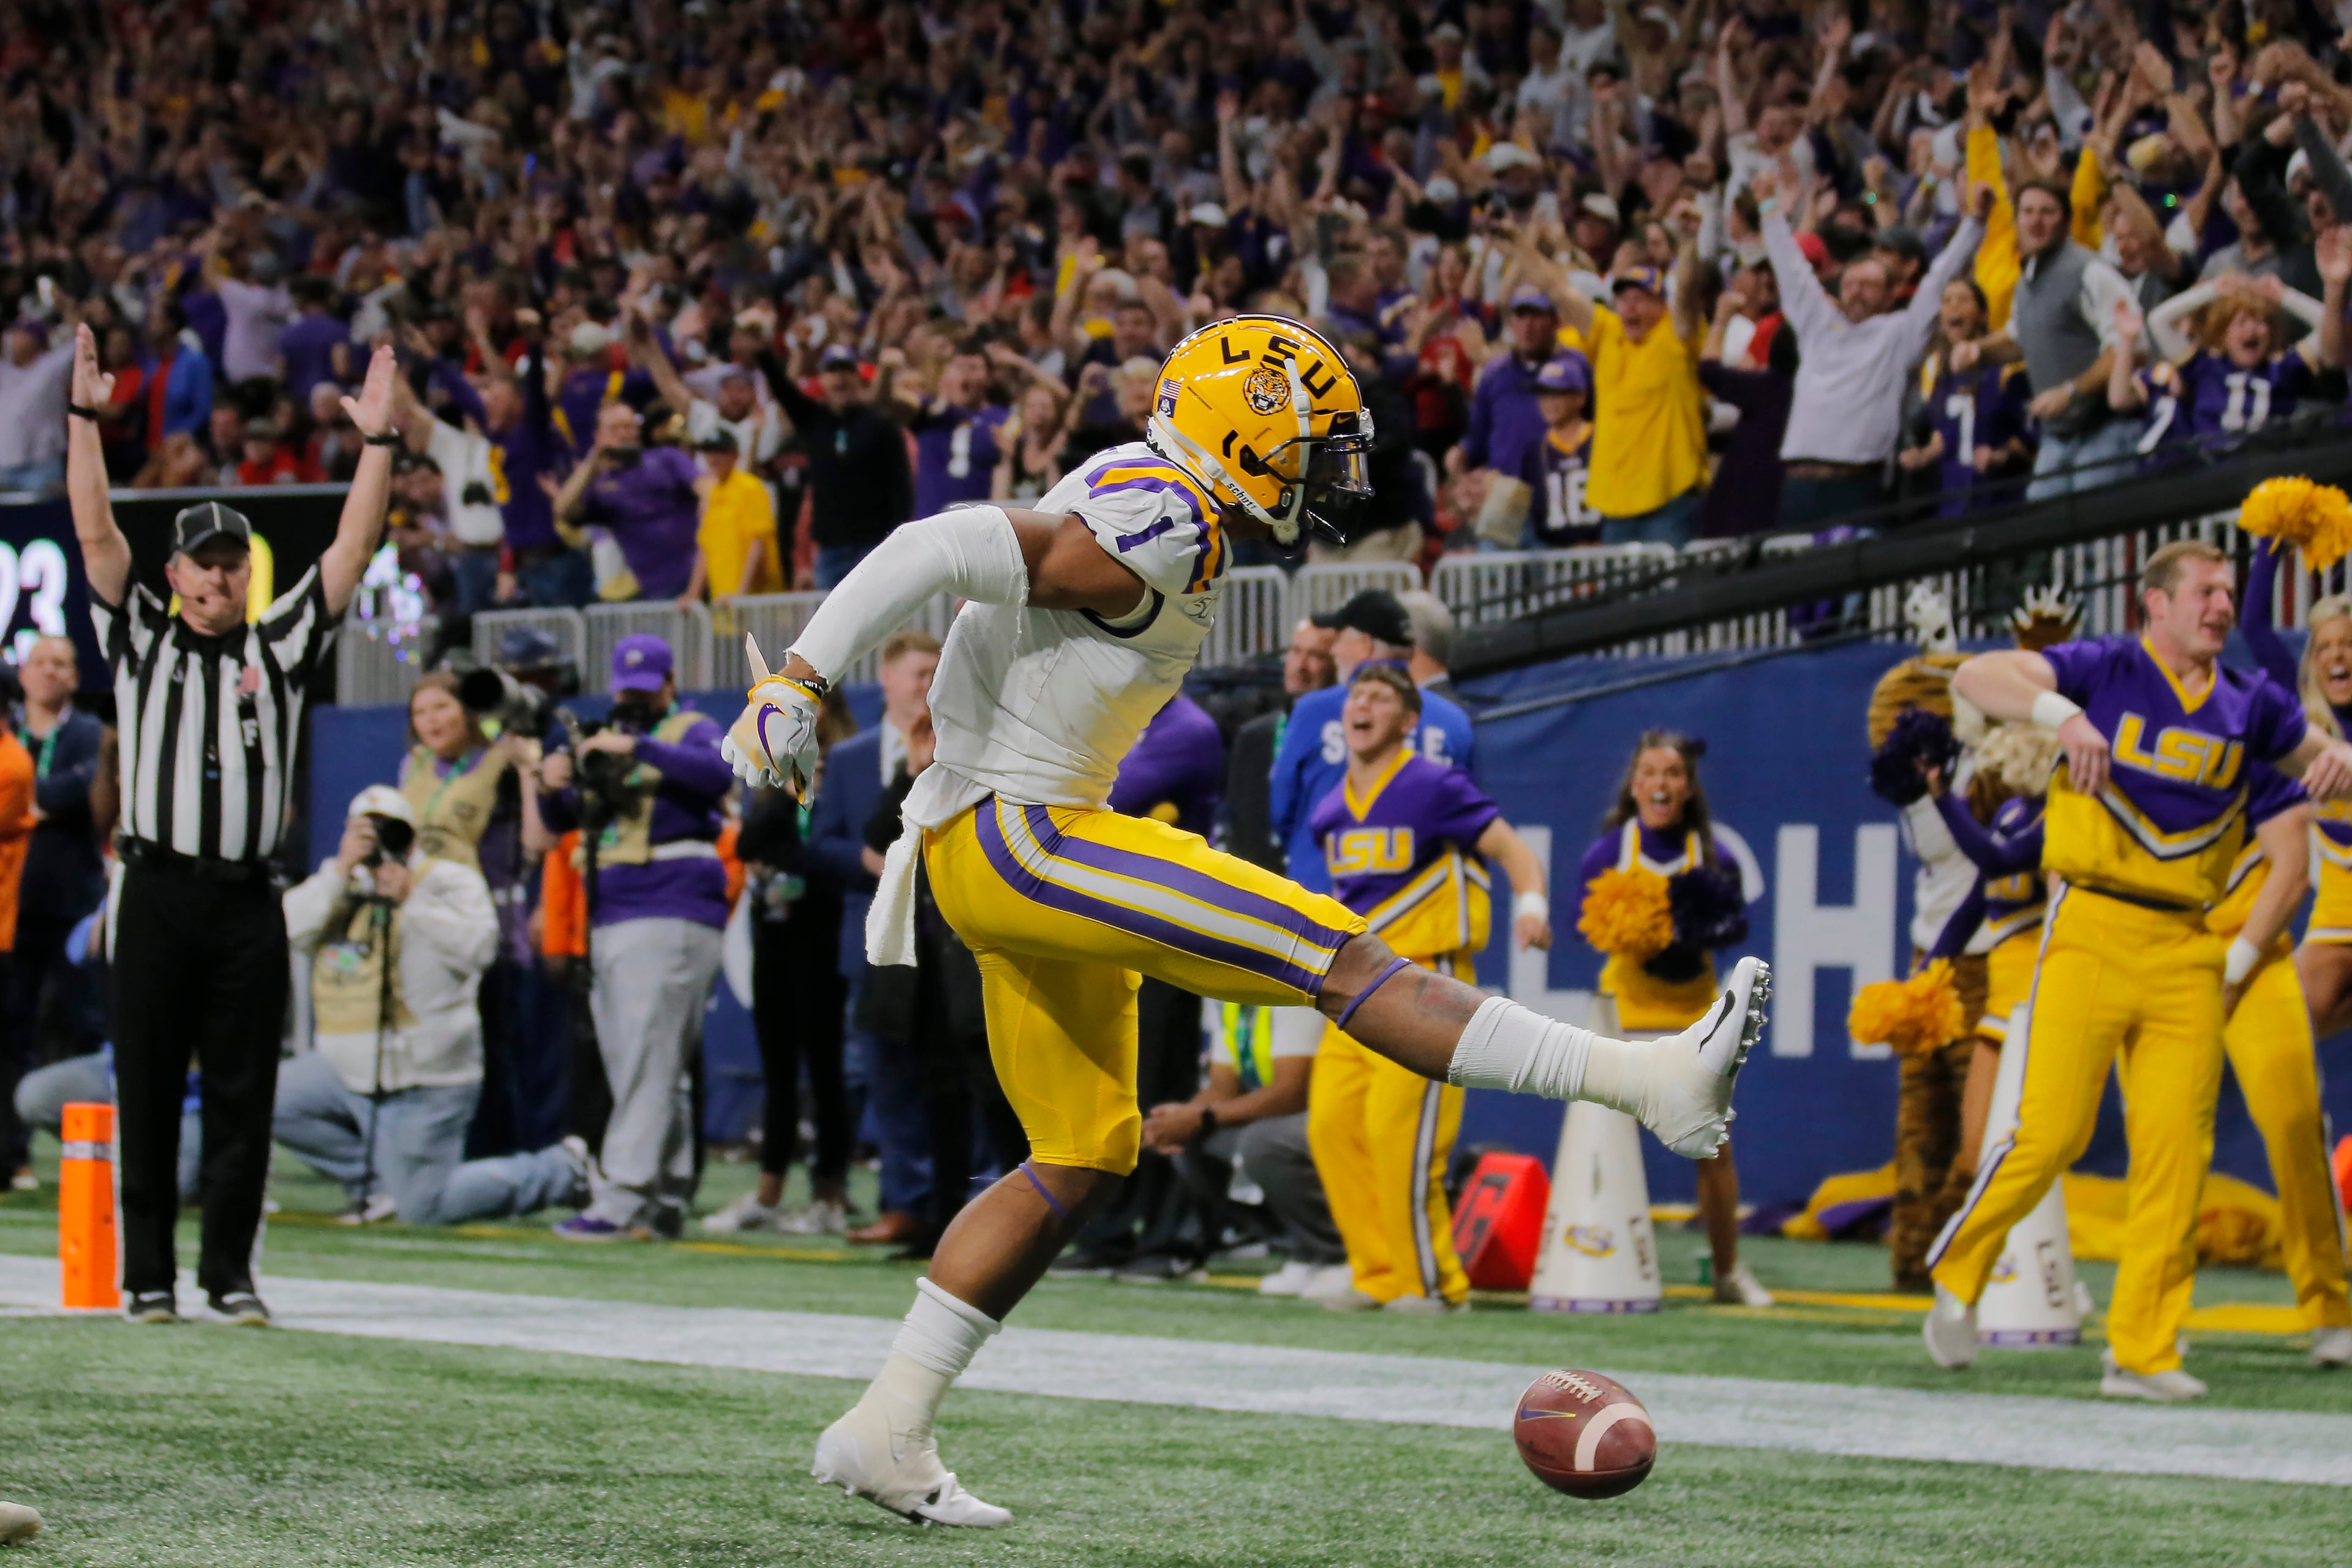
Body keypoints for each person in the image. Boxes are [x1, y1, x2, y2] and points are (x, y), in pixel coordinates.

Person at [722, 314, 1767, 1525]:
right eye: (1315, 446)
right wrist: (803, 674)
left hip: (989, 835)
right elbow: (938, 536)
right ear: (1250, 433)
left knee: (1084, 1149)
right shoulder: (1167, 515)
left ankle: (887, 1425)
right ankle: (1641, 1078)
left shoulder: (1147, 493)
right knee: (1340, 951)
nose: (1327, 476)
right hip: (1024, 830)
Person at [1929, 540, 2352, 1400]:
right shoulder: (2105, 667)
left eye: (2230, 592)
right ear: (2153, 604)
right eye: (2205, 591)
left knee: (2176, 1156)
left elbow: (2311, 767)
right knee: (2051, 1134)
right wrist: (2062, 716)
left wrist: (2337, 762)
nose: (2222, 606)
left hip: (2190, 949)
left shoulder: (2249, 703)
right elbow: (1975, 676)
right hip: (2092, 926)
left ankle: (2143, 1349)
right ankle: (1960, 1268)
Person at [64, 323, 402, 1325]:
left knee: (245, 1095)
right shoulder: (137, 639)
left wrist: (378, 444)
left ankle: (230, 1275)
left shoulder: (284, 641)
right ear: (174, 575)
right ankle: (150, 1278)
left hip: (248, 897)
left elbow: (349, 549)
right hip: (158, 888)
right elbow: (92, 536)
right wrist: (83, 418)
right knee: (151, 1086)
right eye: (202, 567)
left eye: (232, 566)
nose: (219, 579)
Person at [1307, 665, 1555, 1313]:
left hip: (1424, 987)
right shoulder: (1330, 807)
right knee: (1332, 1126)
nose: (1363, 703)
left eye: (1381, 697)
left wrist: (1532, 902)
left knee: (1402, 1132)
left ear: (1409, 720)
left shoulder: (1434, 784)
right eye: (1356, 695)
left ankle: (1434, 1283)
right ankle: (1379, 1272)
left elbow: (1510, 848)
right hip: (1353, 990)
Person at [274, 786, 589, 1224]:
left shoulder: (448, 881)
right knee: (265, 1098)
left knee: (423, 1209)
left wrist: (413, 900)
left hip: (425, 1079)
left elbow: (478, 950)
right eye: (364, 831)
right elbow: (286, 932)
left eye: (391, 831)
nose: (378, 842)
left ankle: (559, 1170)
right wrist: (341, 869)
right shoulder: (339, 882)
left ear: (415, 836)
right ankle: (376, 1185)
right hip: (343, 1071)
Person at [537, 635, 733, 1240]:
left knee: (648, 1059)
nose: (635, 702)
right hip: (614, 909)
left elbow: (723, 769)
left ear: (670, 684)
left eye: (646, 692)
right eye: (627, 693)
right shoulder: (606, 740)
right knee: (647, 1064)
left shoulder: (693, 727)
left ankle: (621, 1198)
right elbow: (562, 821)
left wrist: (638, 746)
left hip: (670, 904)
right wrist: (552, 780)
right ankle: (665, 1195)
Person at [1575, 731, 1771, 1306]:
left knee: (1714, 1145)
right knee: (1612, 1141)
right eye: (1651, 773)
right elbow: (1589, 922)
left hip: (1695, 1015)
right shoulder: (1609, 852)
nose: (1661, 784)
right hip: (1625, 1012)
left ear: (1688, 786)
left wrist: (1698, 931)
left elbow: (1735, 929)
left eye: (1673, 773)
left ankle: (1728, 1272)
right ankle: (1602, 1261)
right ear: (1635, 785)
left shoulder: (1716, 856)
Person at [805, 631, 943, 1248]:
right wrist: (868, 861)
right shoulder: (854, 757)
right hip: (874, 936)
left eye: (937, 673)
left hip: (949, 939)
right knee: (886, 1075)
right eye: (918, 673)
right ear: (886, 678)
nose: (927, 685)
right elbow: (821, 843)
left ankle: (963, 1200)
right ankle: (904, 1202)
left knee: (952, 1074)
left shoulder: (967, 748)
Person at [1752, 169, 1990, 525]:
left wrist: (1975, 222)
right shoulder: (1818, 325)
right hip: (1798, 484)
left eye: (1869, 284)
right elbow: (1790, 268)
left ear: (1892, 293)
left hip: (1858, 487)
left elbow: (1939, 277)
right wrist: (1769, 208)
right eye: (1849, 283)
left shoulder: (1899, 333)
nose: (1856, 291)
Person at [1270, 590, 1474, 903]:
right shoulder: (1454, 721)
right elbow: (1469, 819)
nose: (1335, 651)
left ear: (1364, 645)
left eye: (1340, 639)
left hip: (1320, 900)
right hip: (1416, 905)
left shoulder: (1314, 711)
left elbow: (1282, 807)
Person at [1142, 995, 1347, 1297]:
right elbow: (1223, 1087)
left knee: (1266, 1143)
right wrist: (1173, 1124)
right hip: (1283, 1115)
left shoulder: (1291, 993)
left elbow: (1293, 1092)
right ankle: (1296, 1246)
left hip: (1335, 1114)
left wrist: (1200, 1117)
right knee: (1193, 1143)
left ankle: (1337, 1254)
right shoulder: (1224, 997)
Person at [1, 636, 105, 1190]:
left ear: (74, 676)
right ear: (24, 673)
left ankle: (92, 1151)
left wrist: (28, 798)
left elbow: (85, 787)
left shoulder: (89, 732)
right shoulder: (9, 728)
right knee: (12, 1030)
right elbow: (51, 794)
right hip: (15, 907)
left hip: (73, 905)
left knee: (86, 1025)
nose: (49, 673)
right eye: (40, 663)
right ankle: (13, 1155)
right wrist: (41, 799)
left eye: (61, 664)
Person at [764, 342, 916, 589]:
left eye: (845, 371)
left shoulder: (881, 426)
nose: (840, 379)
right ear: (822, 380)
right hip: (830, 550)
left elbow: (902, 488)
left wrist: (899, 539)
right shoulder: (814, 421)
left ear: (857, 377)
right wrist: (763, 350)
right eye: (833, 372)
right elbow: (782, 389)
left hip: (876, 546)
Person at [551, 402, 703, 603]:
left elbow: (707, 488)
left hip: (699, 576)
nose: (624, 434)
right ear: (599, 436)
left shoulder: (666, 459)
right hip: (656, 590)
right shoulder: (601, 485)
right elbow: (563, 510)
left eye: (629, 427)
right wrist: (591, 464)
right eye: (615, 429)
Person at [679, 429, 783, 605]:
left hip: (754, 606)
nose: (713, 458)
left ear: (735, 455)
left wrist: (740, 595)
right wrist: (692, 594)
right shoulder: (712, 494)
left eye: (719, 451)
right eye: (708, 452)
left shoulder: (750, 488)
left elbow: (758, 543)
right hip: (723, 603)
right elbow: (706, 548)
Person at [1515, 353, 1597, 548]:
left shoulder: (1600, 440)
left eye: (1557, 393)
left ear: (1580, 398)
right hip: (1552, 556)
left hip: (1602, 552)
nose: (1548, 402)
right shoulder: (1534, 450)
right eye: (1543, 394)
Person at [0, 315, 74, 493]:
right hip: (5, 465)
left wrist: (71, 314)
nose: (13, 338)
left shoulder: (52, 367)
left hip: (42, 465)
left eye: (20, 334)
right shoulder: (5, 371)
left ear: (37, 340)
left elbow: (76, 345)